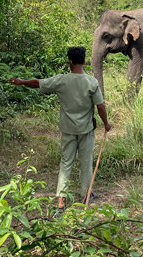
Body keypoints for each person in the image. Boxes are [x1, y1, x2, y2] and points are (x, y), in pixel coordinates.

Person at [8, 47, 112, 211]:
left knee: (66, 163)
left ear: (69, 62)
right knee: (86, 163)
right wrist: (106, 123)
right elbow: (100, 106)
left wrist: (21, 82)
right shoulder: (92, 82)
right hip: (86, 130)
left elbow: (38, 83)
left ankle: (61, 200)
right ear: (84, 61)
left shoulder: (61, 80)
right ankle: (87, 195)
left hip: (68, 129)